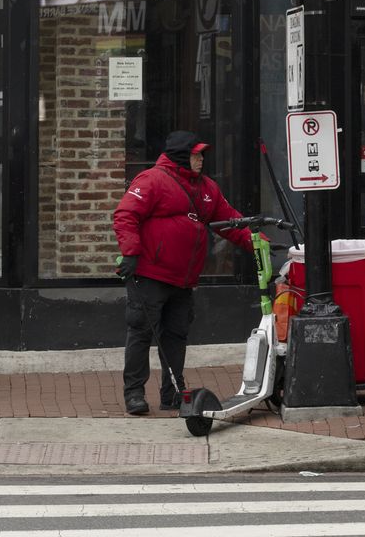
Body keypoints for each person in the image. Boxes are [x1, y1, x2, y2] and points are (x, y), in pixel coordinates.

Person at [111, 131, 260, 416]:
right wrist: (130, 253)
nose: (201, 160)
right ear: (182, 155)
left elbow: (228, 220)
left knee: (176, 336)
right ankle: (134, 394)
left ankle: (173, 393)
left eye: (202, 154)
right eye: (196, 154)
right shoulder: (152, 180)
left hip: (183, 279)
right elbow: (125, 214)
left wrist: (257, 242)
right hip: (150, 275)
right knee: (142, 333)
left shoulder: (207, 188)